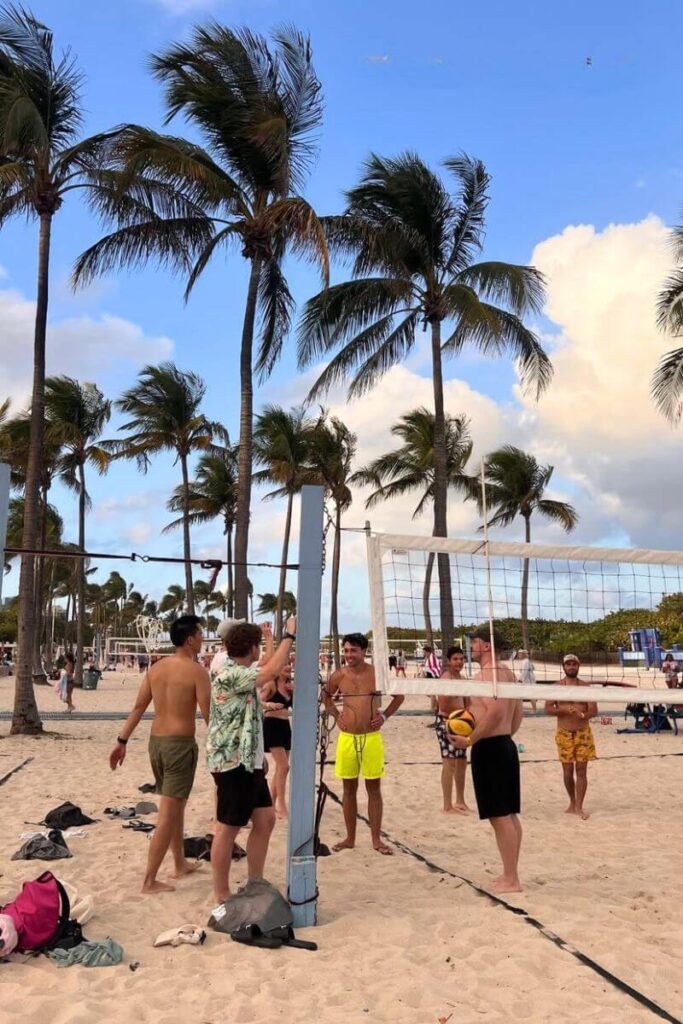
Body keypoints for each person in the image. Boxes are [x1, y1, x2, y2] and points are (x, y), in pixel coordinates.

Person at [109, 615, 211, 895]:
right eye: (200, 633)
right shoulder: (196, 671)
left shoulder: (156, 668)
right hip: (179, 745)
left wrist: (122, 741)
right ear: (190, 639)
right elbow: (208, 715)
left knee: (175, 805)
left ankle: (179, 863)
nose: (203, 638)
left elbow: (138, 708)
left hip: (157, 744)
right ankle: (149, 881)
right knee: (168, 813)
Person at [207, 617, 296, 904]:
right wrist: (288, 636)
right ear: (250, 648)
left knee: (266, 819)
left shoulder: (240, 671)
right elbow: (271, 669)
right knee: (227, 828)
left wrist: (259, 757)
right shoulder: (229, 671)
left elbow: (248, 705)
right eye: (258, 645)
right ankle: (221, 893)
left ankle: (255, 881)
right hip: (232, 763)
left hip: (248, 760)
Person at [450, 626, 523, 893]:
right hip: (505, 745)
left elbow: (494, 713)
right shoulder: (508, 674)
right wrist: (505, 736)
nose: (471, 646)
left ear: (487, 645)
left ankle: (512, 879)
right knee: (509, 815)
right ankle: (510, 874)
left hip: (491, 747)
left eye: (475, 642)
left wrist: (471, 740)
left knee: (499, 816)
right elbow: (517, 716)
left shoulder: (488, 675)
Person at [323, 632, 404, 855]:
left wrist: (385, 716)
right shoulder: (339, 675)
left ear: (363, 651)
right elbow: (326, 696)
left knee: (373, 789)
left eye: (353, 651)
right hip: (347, 737)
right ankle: (350, 838)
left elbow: (399, 696)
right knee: (348, 789)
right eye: (346, 650)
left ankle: (376, 840)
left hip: (371, 737)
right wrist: (335, 715)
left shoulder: (376, 674)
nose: (349, 655)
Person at [544, 654, 597, 820]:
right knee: (567, 771)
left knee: (581, 770)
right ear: (563, 667)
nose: (571, 666)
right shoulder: (557, 687)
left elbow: (594, 710)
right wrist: (564, 710)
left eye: (574, 664)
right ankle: (572, 802)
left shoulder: (585, 687)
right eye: (568, 664)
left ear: (578, 666)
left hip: (583, 732)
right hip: (564, 732)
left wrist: (583, 715)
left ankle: (579, 806)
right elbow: (548, 708)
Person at [436, 646, 471, 814]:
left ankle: (460, 801)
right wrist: (460, 716)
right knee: (448, 763)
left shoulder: (462, 679)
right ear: (449, 661)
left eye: (461, 659)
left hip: (462, 725)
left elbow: (468, 702)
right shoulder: (446, 679)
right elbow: (443, 704)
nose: (459, 662)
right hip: (447, 722)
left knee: (462, 763)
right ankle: (447, 805)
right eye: (455, 659)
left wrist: (469, 719)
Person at [260, 665, 294, 819]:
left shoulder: (289, 686)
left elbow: (296, 706)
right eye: (284, 664)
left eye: (290, 663)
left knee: (281, 769)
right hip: (272, 725)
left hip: (285, 726)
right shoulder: (270, 685)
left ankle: (272, 804)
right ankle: (281, 805)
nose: (288, 666)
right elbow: (257, 701)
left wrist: (295, 692)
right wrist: (269, 705)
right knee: (284, 766)